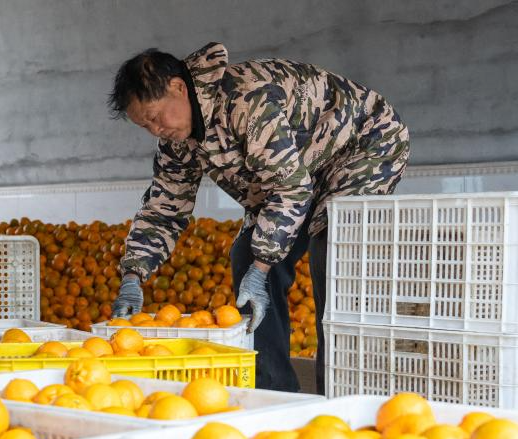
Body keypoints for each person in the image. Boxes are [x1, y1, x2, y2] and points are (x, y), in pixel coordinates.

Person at [109, 43, 409, 393]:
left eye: (155, 116)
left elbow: (289, 188)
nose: (156, 130)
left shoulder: (246, 100)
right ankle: (273, 391)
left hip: (363, 145)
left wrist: (263, 266)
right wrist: (133, 275)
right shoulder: (177, 141)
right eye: (145, 126)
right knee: (246, 255)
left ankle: (338, 394)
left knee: (331, 254)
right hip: (300, 169)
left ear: (177, 87)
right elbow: (163, 209)